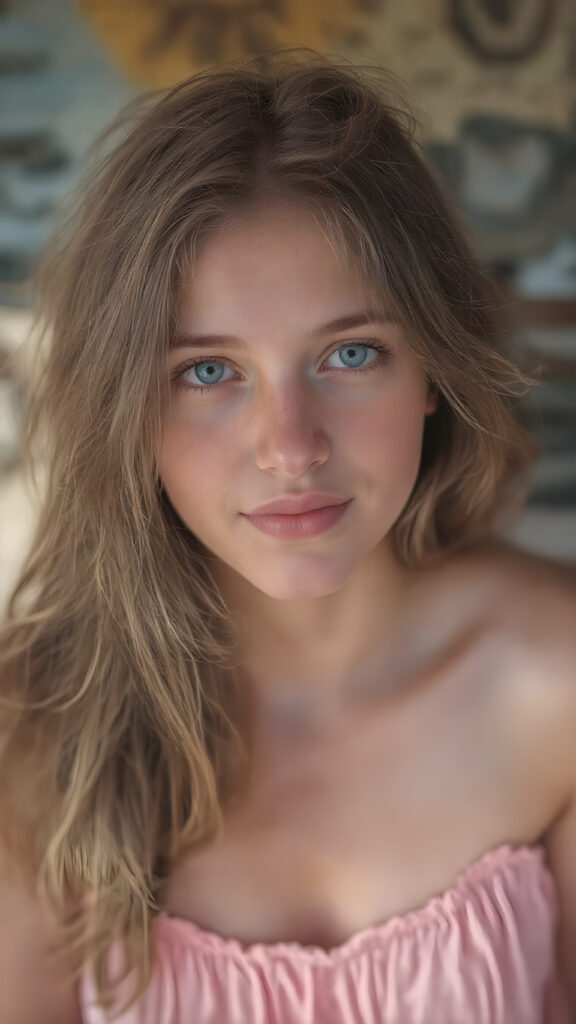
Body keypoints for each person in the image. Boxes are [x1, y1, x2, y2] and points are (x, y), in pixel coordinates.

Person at [0, 49, 574, 1024]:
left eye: (350, 354)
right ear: (127, 407)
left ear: (430, 365)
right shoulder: (34, 739)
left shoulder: (555, 684)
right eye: (209, 372)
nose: (290, 447)